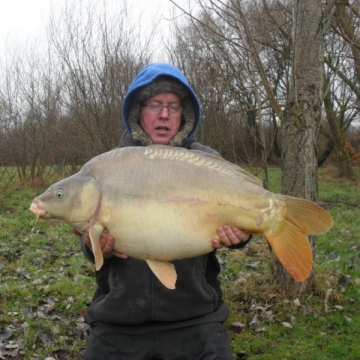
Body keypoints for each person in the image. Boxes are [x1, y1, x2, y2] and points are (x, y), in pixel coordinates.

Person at [79, 63, 252, 359]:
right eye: (155, 104)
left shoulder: (207, 161)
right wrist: (94, 246)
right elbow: (86, 233)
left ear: (184, 113)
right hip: (118, 323)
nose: (164, 115)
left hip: (196, 320)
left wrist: (242, 234)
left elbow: (240, 215)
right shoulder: (109, 166)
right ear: (138, 110)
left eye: (173, 106)